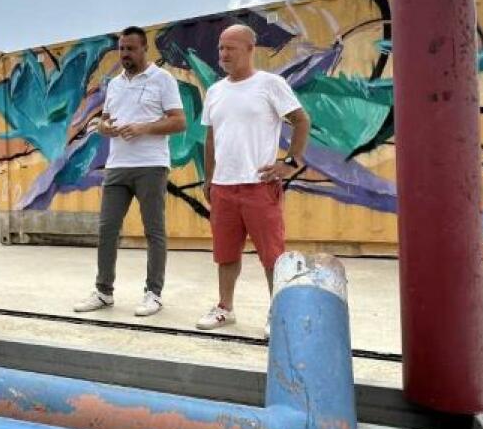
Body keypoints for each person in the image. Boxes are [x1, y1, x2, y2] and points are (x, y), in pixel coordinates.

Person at [198, 24, 311, 331]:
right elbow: (211, 138)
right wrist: (208, 179)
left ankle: (279, 312)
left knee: (271, 254)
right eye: (221, 48)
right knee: (225, 253)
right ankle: (225, 307)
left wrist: (290, 162)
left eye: (230, 48)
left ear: (250, 49)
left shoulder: (270, 84)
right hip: (223, 187)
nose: (223, 54)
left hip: (260, 186)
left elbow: (301, 121)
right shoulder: (215, 91)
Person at [73, 26, 186, 317]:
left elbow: (178, 122)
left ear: (144, 49)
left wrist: (144, 127)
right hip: (117, 166)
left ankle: (154, 294)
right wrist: (105, 127)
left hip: (151, 165)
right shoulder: (115, 84)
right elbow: (107, 121)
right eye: (121, 49)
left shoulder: (163, 80)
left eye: (130, 49)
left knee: (154, 231)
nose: (124, 54)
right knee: (107, 229)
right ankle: (103, 291)